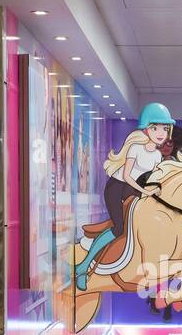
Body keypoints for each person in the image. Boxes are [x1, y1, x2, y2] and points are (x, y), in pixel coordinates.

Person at [73, 102, 175, 289]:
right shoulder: (135, 148)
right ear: (146, 129)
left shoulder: (158, 157)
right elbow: (127, 176)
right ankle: (83, 266)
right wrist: (146, 191)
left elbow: (151, 179)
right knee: (119, 228)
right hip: (117, 187)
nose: (160, 132)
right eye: (155, 127)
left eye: (164, 128)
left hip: (134, 189)